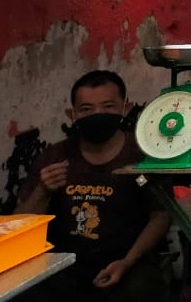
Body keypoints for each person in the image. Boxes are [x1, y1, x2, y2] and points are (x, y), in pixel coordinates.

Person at [16, 71, 171, 301]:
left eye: (108, 106)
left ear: (125, 108)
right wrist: (43, 190)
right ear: (72, 114)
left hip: (129, 260)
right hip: (65, 264)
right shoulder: (55, 156)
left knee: (139, 290)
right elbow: (17, 226)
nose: (98, 115)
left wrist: (127, 262)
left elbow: (161, 215)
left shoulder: (143, 155)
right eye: (86, 109)